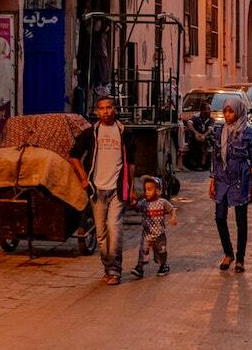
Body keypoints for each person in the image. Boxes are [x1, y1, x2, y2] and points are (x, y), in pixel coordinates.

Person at [69, 96, 137, 285]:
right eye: (101, 108)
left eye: (109, 107)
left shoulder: (124, 133)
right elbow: (73, 156)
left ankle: (115, 271)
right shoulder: (91, 133)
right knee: (101, 234)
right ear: (97, 111)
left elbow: (131, 164)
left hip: (117, 188)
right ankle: (108, 267)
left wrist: (131, 188)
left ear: (115, 109)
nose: (105, 111)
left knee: (114, 228)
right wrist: (83, 178)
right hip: (96, 189)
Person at [209, 96, 252, 273]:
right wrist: (212, 180)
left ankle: (240, 259)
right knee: (219, 217)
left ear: (238, 111)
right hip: (222, 179)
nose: (228, 115)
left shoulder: (248, 132)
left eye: (231, 111)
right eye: (225, 112)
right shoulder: (219, 131)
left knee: (241, 221)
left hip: (241, 180)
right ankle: (228, 253)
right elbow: (215, 157)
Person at [130, 176, 177, 279]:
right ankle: (139, 268)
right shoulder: (144, 203)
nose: (147, 192)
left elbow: (172, 209)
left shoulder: (162, 202)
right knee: (143, 250)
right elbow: (136, 207)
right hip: (147, 233)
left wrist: (173, 217)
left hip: (160, 235)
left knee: (161, 252)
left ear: (158, 191)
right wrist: (133, 203)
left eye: (150, 189)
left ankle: (163, 266)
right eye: (145, 189)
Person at [183, 102, 215, 170]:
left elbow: (210, 130)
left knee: (206, 141)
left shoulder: (211, 118)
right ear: (203, 110)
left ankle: (203, 164)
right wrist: (196, 133)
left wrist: (204, 135)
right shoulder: (196, 116)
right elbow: (189, 124)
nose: (210, 111)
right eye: (208, 109)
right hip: (196, 136)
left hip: (206, 137)